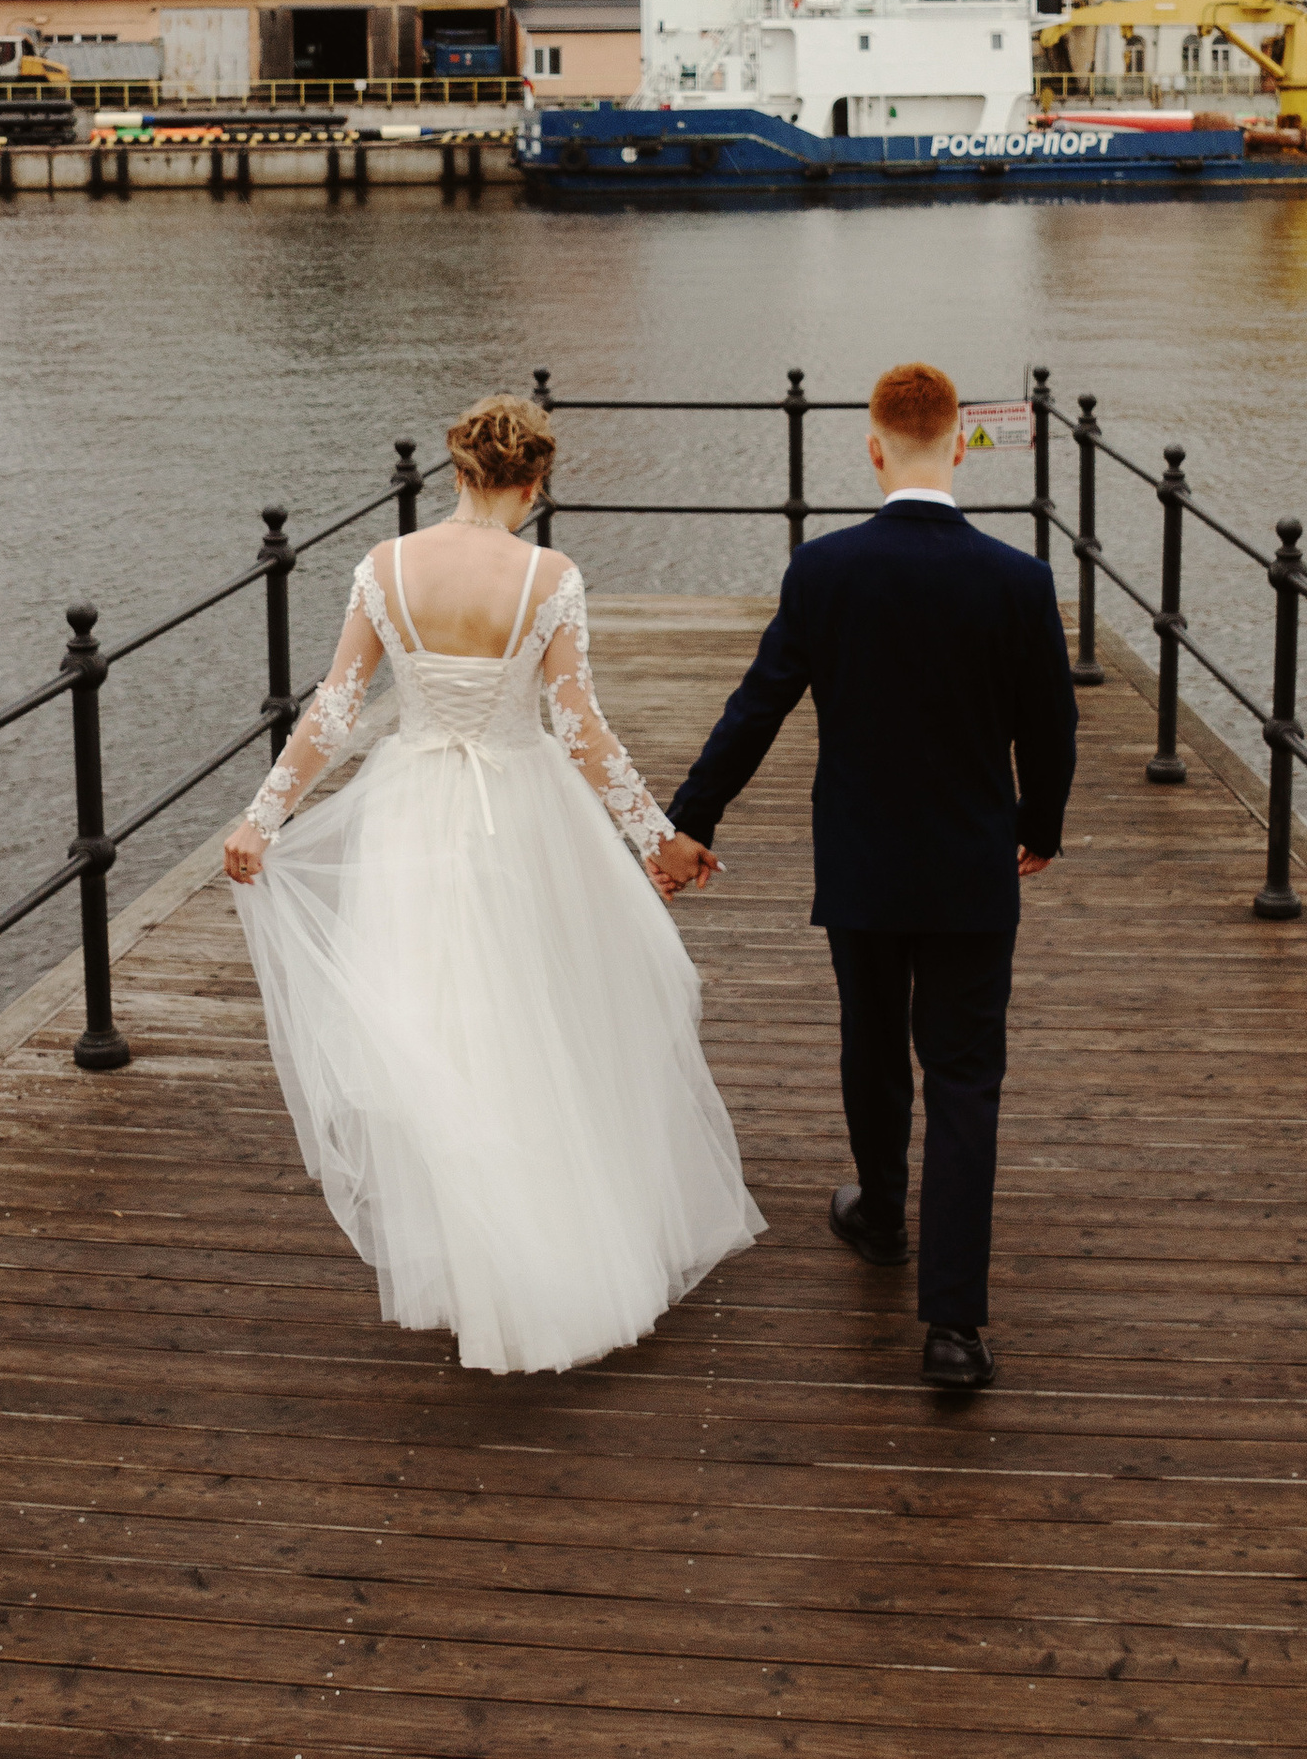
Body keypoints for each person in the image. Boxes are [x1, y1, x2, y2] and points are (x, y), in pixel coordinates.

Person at [222, 390, 763, 1376]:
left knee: (441, 1034)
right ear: (534, 481)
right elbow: (578, 727)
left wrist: (262, 819)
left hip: (412, 812)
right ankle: (546, 1258)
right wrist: (658, 838)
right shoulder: (548, 577)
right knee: (537, 1023)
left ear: (457, 471)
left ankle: (478, 1263)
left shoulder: (383, 567)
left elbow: (334, 711)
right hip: (523, 813)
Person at [659, 358, 1078, 1391]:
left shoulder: (826, 570)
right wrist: (1041, 826)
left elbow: (755, 707)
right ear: (959, 452)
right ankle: (953, 1329)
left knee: (871, 1038)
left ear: (874, 446)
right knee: (967, 1077)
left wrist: (689, 821)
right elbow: (1052, 728)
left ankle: (882, 1214)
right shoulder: (1018, 582)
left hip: (861, 861)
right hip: (973, 865)